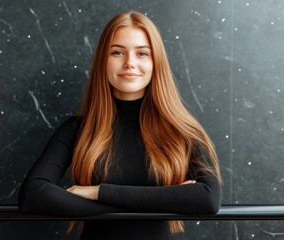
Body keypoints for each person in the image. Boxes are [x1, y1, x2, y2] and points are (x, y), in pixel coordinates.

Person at [18, 11, 222, 240]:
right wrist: (154, 201)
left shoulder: (182, 130)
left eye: (142, 53)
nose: (130, 63)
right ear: (103, 61)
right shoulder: (77, 129)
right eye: (117, 52)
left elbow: (208, 199)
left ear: (156, 63)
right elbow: (33, 195)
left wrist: (98, 192)